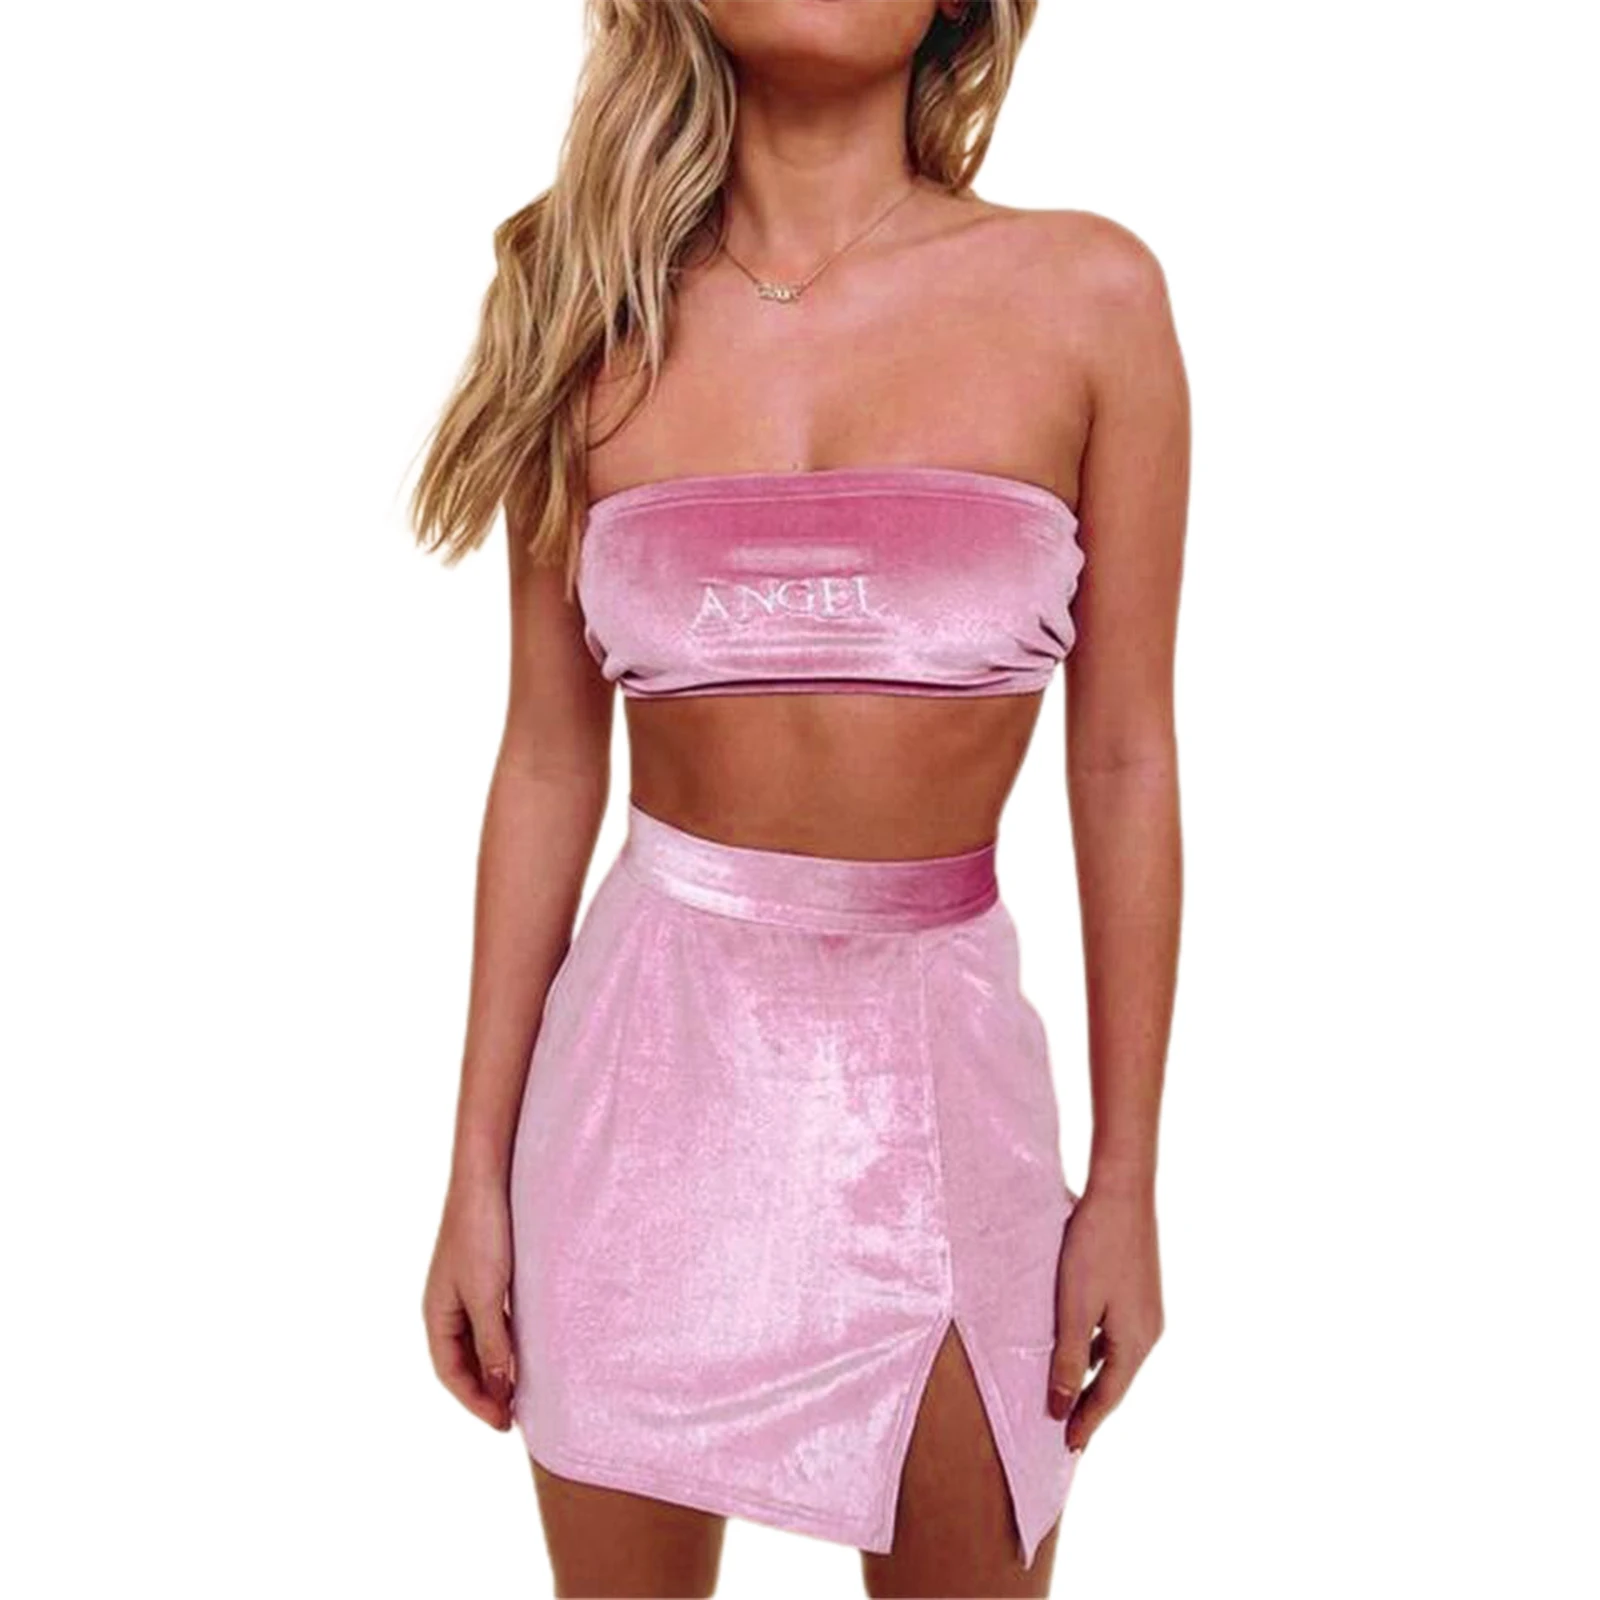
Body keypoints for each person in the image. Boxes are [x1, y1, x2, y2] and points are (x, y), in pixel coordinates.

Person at [415, 2, 1187, 1595]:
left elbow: (1124, 759)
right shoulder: (584, 297)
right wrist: (473, 1176)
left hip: (943, 1091)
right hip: (636, 1095)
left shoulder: (1089, 295)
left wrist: (1126, 1180)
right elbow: (548, 758)